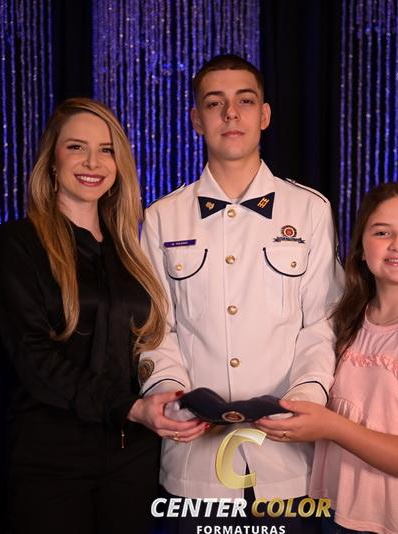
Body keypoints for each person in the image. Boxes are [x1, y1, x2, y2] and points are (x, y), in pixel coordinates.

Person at [138, 54, 343, 532]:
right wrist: (168, 393)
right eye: (215, 103)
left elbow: (322, 322)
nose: (231, 113)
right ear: (197, 119)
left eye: (245, 101)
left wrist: (307, 397)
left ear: (264, 115)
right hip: (195, 458)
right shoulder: (162, 217)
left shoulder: (310, 210)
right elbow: (155, 327)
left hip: (288, 455)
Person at [0, 97, 206, 534]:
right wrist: (131, 408)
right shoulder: (17, 245)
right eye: (76, 147)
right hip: (51, 460)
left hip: (134, 457)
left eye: (106, 150)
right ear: (51, 160)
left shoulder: (133, 252)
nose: (92, 162)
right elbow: (34, 359)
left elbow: (153, 343)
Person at [256, 182, 398, 534]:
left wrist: (331, 427)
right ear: (362, 248)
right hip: (336, 512)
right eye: (382, 232)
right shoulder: (343, 320)